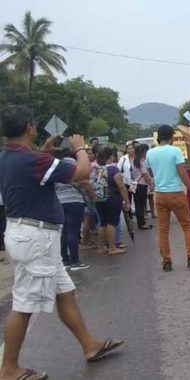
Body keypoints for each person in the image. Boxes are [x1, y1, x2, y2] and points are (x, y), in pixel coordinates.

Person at [0, 105, 123, 380]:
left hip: (29, 235)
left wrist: (44, 147)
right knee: (25, 304)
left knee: (65, 292)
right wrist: (80, 148)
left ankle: (89, 345)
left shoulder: (9, 158)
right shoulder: (33, 162)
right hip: (36, 238)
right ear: (30, 126)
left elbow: (33, 169)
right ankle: (8, 369)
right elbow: (81, 173)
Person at [146, 125, 190, 272]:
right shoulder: (175, 151)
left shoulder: (150, 153)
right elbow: (182, 172)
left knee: (163, 230)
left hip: (160, 194)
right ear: (171, 138)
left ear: (158, 138)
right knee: (187, 226)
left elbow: (150, 172)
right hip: (175, 192)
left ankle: (166, 261)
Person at [54, 148, 91, 271]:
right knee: (73, 231)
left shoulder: (54, 164)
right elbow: (84, 179)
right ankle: (75, 261)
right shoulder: (72, 163)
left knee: (63, 232)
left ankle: (65, 260)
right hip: (74, 200)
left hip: (59, 201)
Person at [92, 147, 132, 256]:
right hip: (112, 198)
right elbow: (121, 187)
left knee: (102, 223)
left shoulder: (96, 169)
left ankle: (101, 247)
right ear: (111, 156)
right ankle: (112, 248)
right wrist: (127, 201)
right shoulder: (113, 170)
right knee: (112, 223)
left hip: (99, 199)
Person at [132, 144, 154, 230]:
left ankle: (140, 223)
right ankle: (142, 224)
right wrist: (150, 184)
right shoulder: (142, 161)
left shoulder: (134, 161)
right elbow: (145, 174)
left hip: (136, 185)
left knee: (138, 205)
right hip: (142, 185)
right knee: (141, 205)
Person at [117, 143, 135, 210]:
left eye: (132, 148)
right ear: (126, 150)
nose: (130, 150)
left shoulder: (137, 157)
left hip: (136, 182)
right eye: (128, 149)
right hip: (126, 182)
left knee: (137, 199)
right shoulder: (123, 158)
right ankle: (129, 214)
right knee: (128, 198)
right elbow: (118, 169)